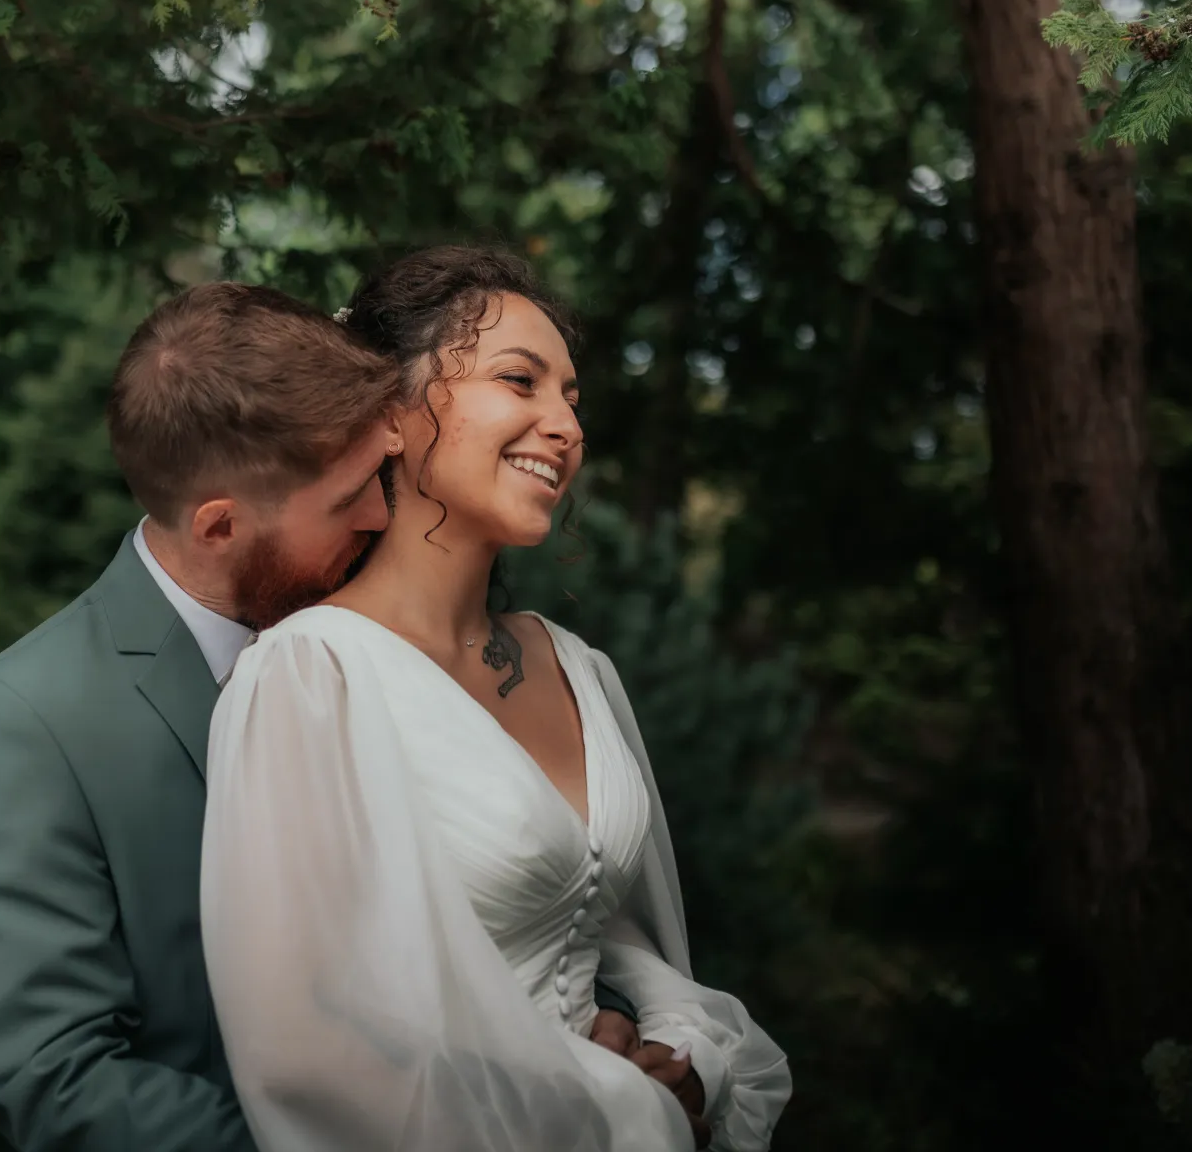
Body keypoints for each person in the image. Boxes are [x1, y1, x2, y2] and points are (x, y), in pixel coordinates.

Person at [201, 247, 792, 1152]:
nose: (563, 425)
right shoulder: (310, 677)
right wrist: (621, 1109)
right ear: (393, 413)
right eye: (521, 381)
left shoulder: (578, 667)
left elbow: (624, 940)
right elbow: (308, 1054)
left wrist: (688, 1059)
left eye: (572, 400)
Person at [0, 281, 406, 1151]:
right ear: (220, 528)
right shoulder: (29, 718)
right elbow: (51, 1076)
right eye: (349, 502)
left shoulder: (385, 635)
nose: (383, 515)